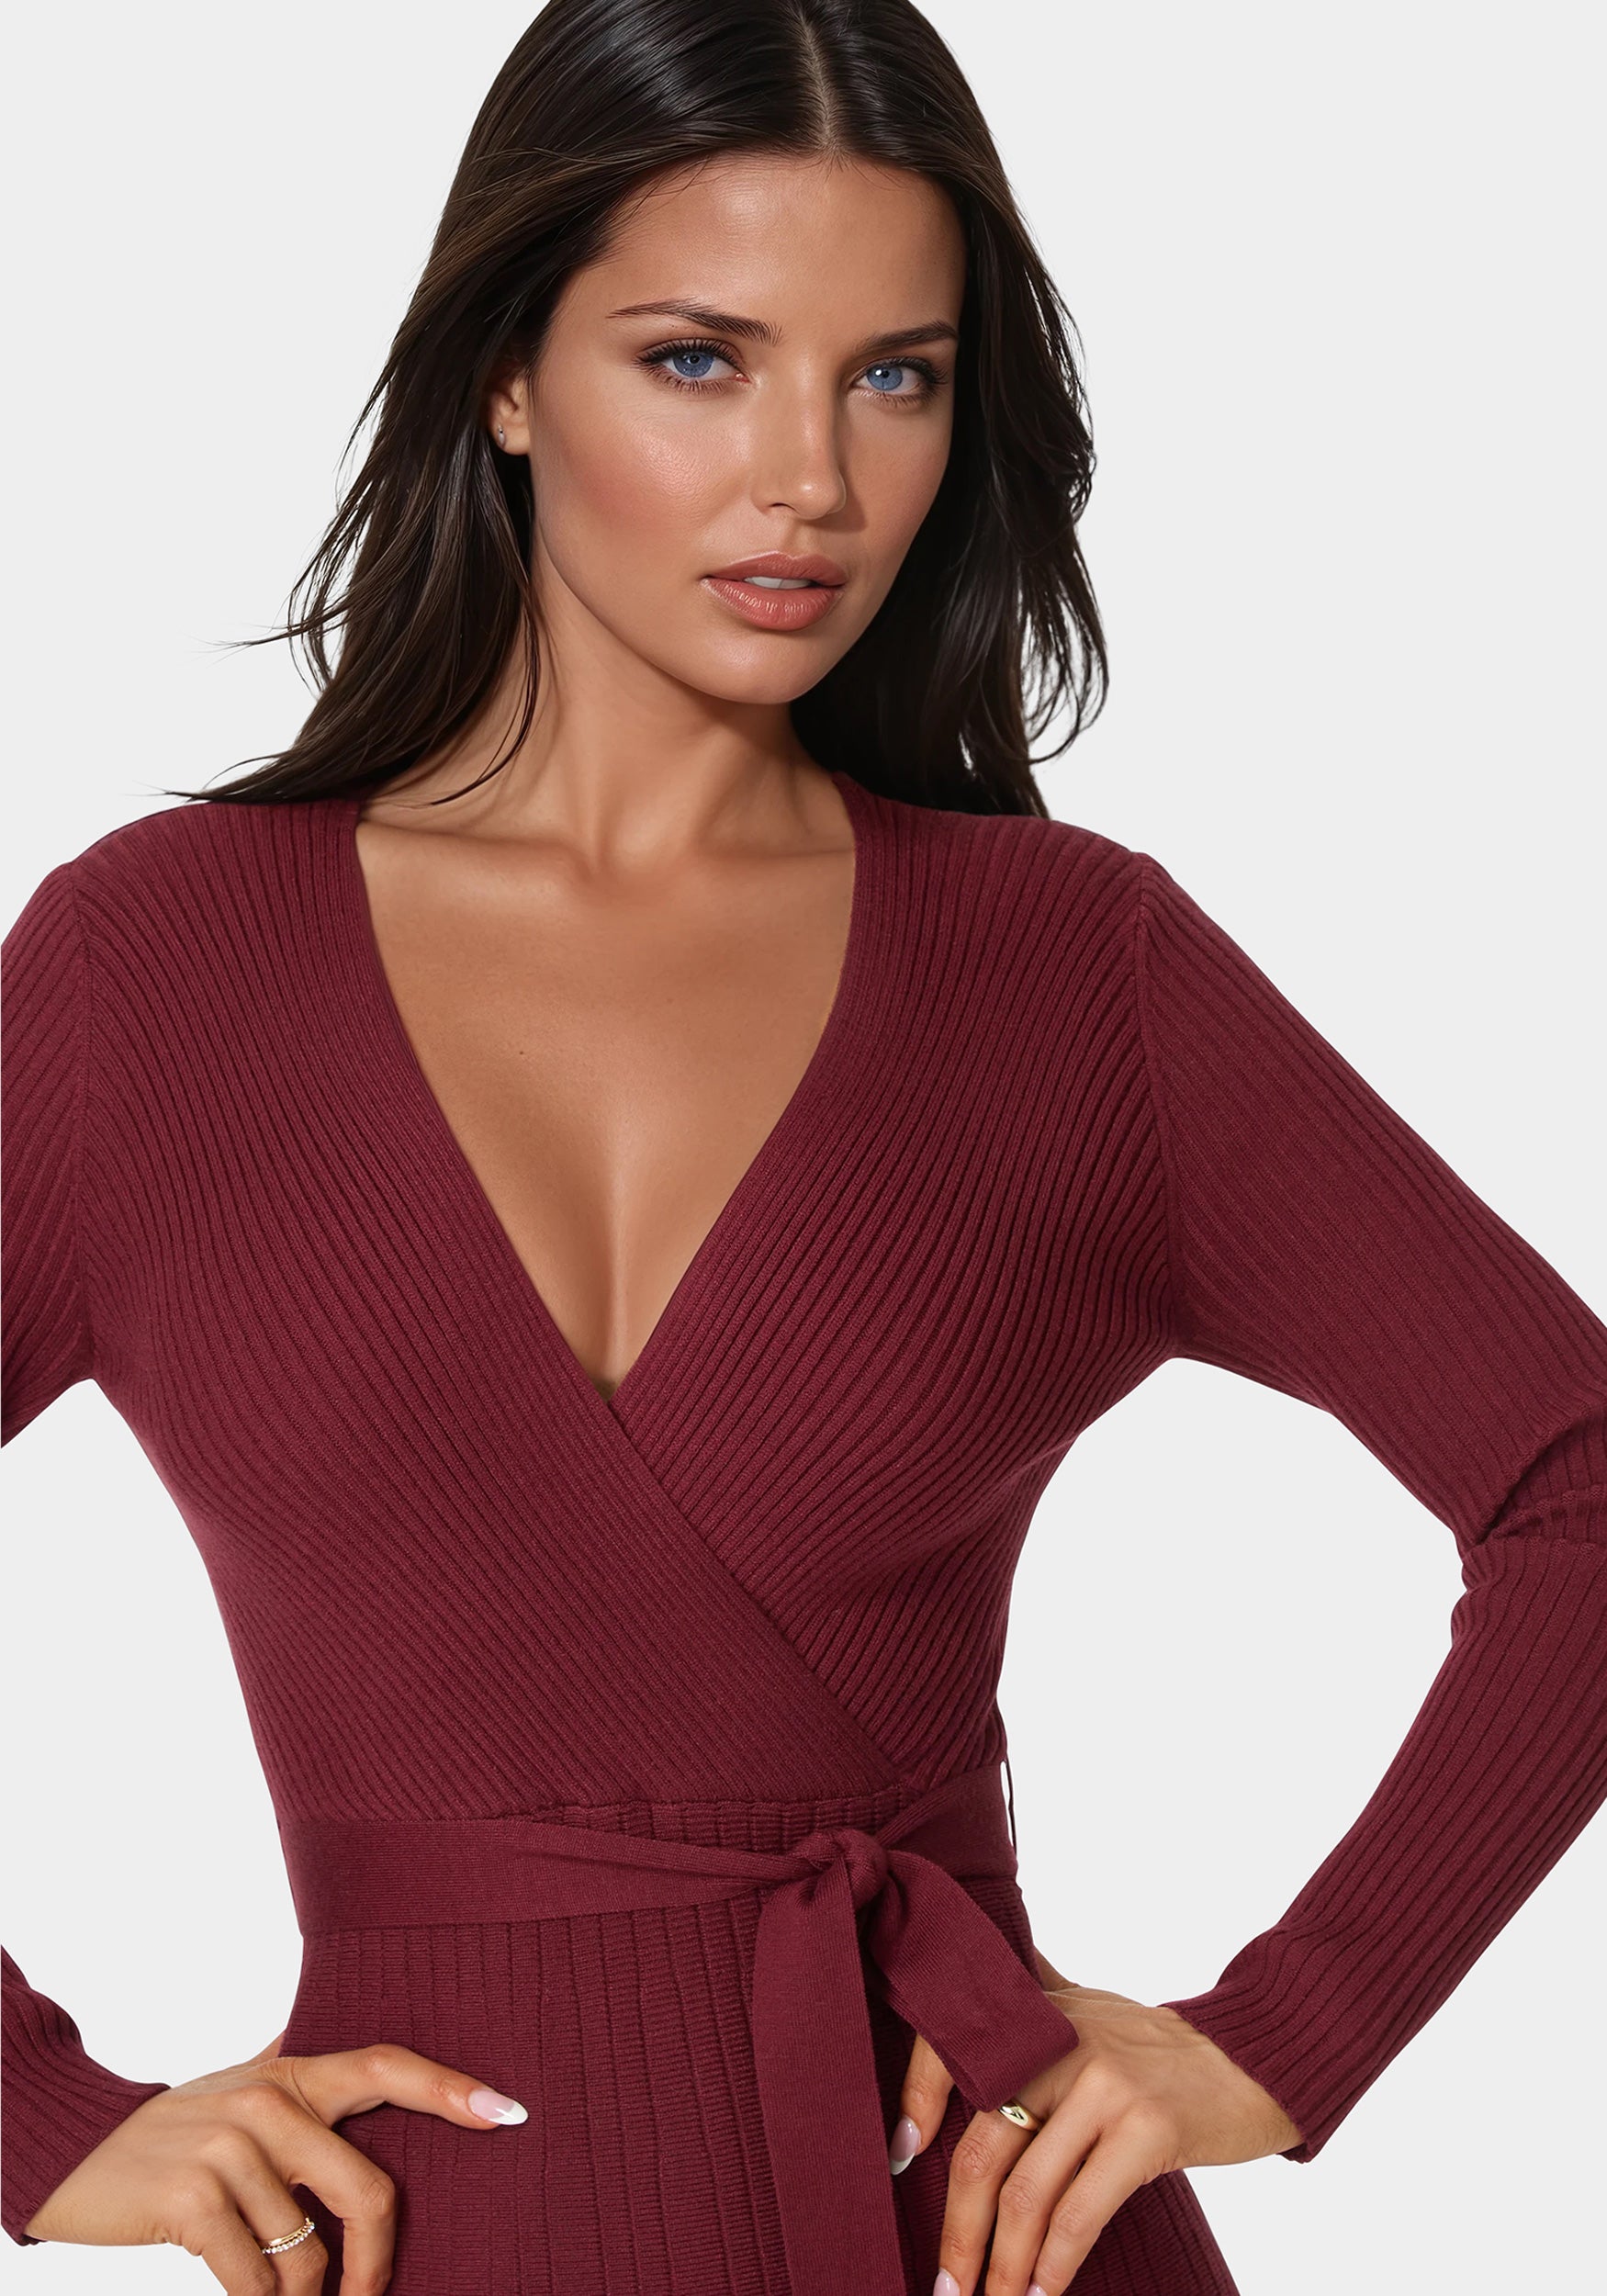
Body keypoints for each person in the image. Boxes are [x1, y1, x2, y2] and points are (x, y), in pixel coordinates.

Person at [4, 1, 1603, 2291]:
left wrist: (1292, 2026)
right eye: (696, 360)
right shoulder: (149, 969)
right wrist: (41, 2115)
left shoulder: (1069, 967)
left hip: (987, 2234)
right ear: (502, 375)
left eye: (893, 377)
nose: (810, 482)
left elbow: (1576, 1476)